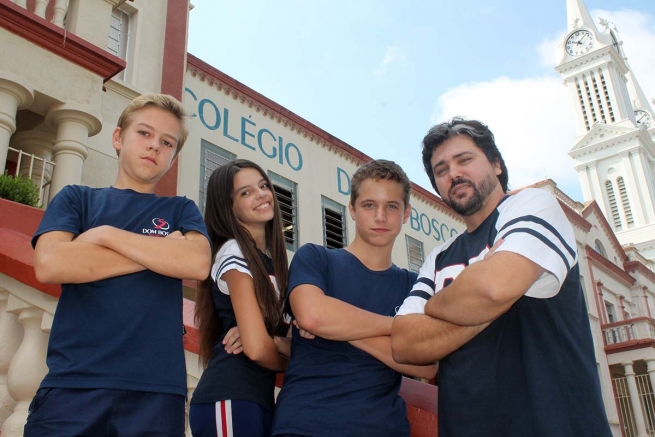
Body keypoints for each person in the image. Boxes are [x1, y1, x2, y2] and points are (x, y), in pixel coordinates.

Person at [391, 117, 612, 436]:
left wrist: (435, 309)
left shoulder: (533, 205)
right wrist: (480, 297)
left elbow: (494, 287)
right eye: (441, 170)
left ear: (496, 164)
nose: (453, 173)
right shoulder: (438, 257)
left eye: (464, 160)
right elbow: (404, 344)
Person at [26, 94, 211, 436]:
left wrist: (104, 236)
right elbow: (51, 264)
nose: (154, 145)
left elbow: (197, 263)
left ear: (173, 157)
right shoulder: (77, 199)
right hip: (72, 387)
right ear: (118, 137)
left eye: (167, 142)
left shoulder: (180, 210)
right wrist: (161, 253)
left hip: (156, 394)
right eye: (144, 133)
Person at [272, 160, 437, 437]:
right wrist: (397, 329)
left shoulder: (415, 285)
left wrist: (338, 327)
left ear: (406, 213)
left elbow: (425, 363)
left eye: (392, 206)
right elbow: (312, 315)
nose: (381, 216)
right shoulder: (315, 258)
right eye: (369, 205)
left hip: (384, 428)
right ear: (352, 209)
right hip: (305, 424)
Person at [190, 159, 291, 437]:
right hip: (230, 396)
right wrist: (288, 360)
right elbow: (256, 349)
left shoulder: (274, 266)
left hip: (257, 400)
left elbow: (280, 341)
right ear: (228, 207)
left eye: (262, 186)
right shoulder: (233, 251)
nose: (261, 194)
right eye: (245, 192)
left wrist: (276, 341)